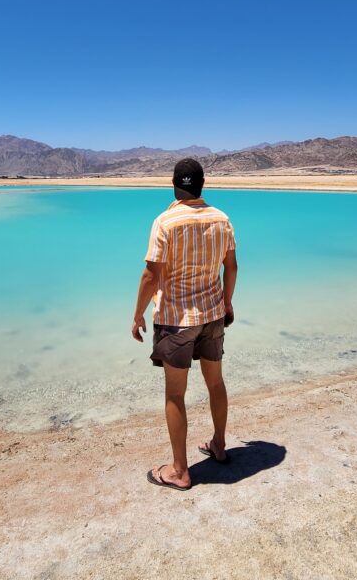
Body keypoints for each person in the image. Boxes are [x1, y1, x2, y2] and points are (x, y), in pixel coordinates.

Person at [132, 158, 238, 491]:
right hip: (211, 315)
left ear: (175, 185)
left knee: (175, 395)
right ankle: (219, 445)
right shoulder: (222, 219)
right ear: (202, 184)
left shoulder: (165, 221)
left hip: (176, 321)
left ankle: (180, 471)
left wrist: (136, 315)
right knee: (215, 383)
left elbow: (151, 274)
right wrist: (227, 302)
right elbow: (231, 267)